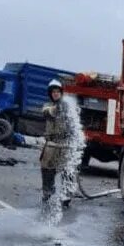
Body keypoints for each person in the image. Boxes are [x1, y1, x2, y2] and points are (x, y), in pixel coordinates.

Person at [40, 79, 76, 208]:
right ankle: (47, 192)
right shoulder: (47, 106)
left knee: (68, 171)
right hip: (51, 144)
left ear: (61, 92)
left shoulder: (68, 107)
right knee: (47, 170)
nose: (55, 94)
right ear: (50, 94)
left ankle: (67, 195)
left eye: (57, 91)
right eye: (53, 92)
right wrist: (57, 108)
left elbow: (74, 123)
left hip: (66, 144)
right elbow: (47, 112)